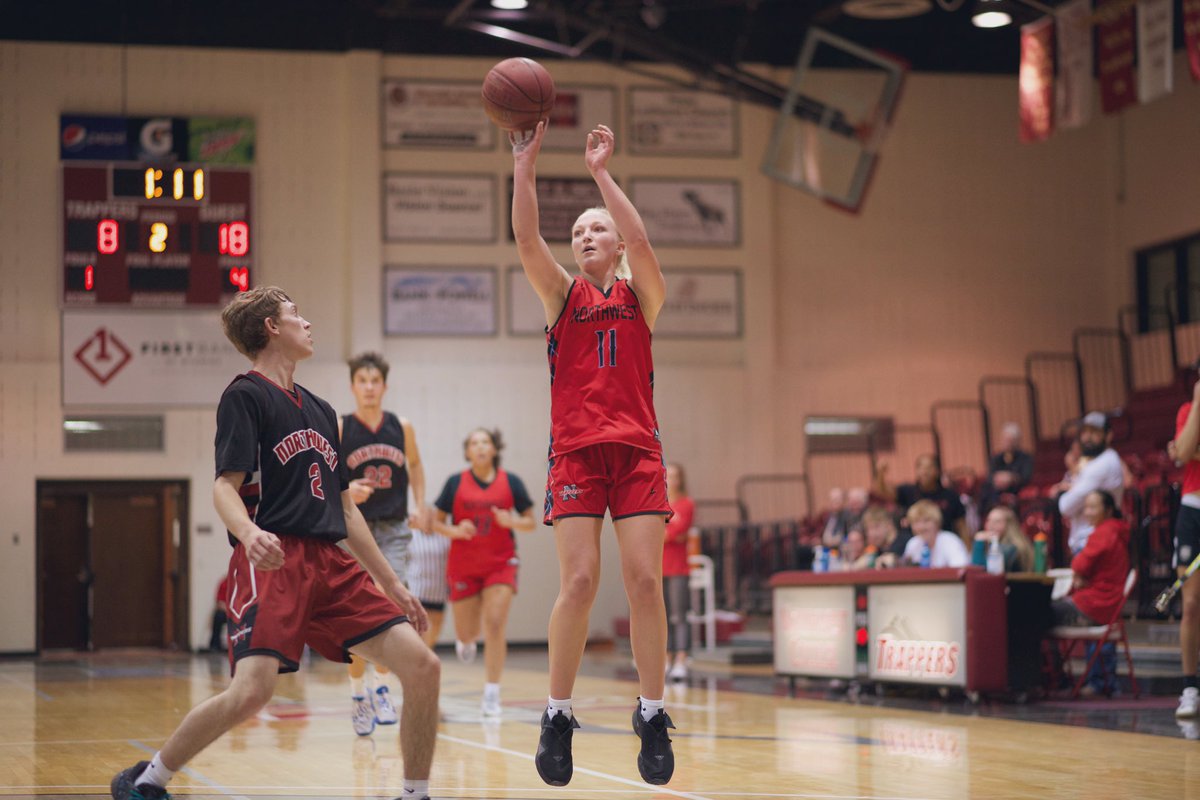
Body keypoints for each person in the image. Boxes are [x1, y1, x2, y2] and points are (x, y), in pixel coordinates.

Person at [109, 286, 440, 800]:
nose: (307, 323)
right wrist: (248, 532)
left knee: (423, 666)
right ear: (271, 327)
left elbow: (346, 508)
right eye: (295, 315)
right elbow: (224, 486)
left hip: (331, 560)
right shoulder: (245, 395)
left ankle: (415, 794)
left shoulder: (324, 410)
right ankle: (149, 779)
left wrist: (392, 582)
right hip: (274, 557)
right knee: (253, 691)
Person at [512, 120, 676, 786]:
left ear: (615, 244)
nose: (585, 236)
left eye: (595, 228)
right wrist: (525, 167)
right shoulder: (563, 297)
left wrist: (601, 175)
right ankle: (556, 715)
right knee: (578, 582)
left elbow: (640, 239)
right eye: (577, 231)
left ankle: (653, 711)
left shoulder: (643, 295)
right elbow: (526, 238)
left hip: (637, 452)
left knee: (643, 582)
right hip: (576, 455)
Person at [339, 351, 429, 736]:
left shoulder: (401, 426)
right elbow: (326, 476)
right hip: (354, 528)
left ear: (384, 386)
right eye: (363, 381)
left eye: (376, 381)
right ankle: (358, 694)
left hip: (392, 527)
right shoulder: (341, 428)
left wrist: (422, 506)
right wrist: (347, 489)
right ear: (353, 386)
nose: (370, 387)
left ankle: (381, 688)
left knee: (391, 605)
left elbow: (416, 466)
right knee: (355, 613)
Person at [430, 428, 535, 717]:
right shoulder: (455, 482)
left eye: (485, 442)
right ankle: (466, 640)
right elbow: (436, 523)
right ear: (467, 452)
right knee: (467, 632)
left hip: (500, 562)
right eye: (474, 443)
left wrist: (510, 520)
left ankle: (492, 693)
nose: (480, 447)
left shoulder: (511, 481)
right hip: (464, 565)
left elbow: (531, 522)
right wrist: (455, 530)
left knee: (495, 623)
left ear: (494, 449)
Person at [1051, 490, 1130, 696]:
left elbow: (1078, 564)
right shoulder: (1116, 531)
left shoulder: (1104, 533)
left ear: (1109, 510)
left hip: (1094, 606)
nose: (1087, 512)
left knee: (1037, 613)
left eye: (1093, 507)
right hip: (1106, 605)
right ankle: (1095, 681)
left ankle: (1052, 680)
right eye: (1086, 507)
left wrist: (1080, 575)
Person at [1171, 380, 1200, 717]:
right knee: (1191, 603)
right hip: (1192, 511)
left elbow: (1184, 450)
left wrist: (1188, 450)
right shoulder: (1187, 411)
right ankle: (1190, 688)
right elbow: (1181, 453)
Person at [1058, 412, 1124, 554]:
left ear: (1108, 435)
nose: (1087, 437)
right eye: (1084, 432)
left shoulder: (1103, 464)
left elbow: (1066, 506)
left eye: (1094, 432)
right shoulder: (1094, 461)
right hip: (1090, 541)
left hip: (1096, 543)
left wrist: (1065, 492)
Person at [875, 454, 968, 540]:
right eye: (920, 467)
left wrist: (968, 549)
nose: (924, 472)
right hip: (915, 542)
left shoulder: (950, 496)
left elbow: (961, 526)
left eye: (929, 467)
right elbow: (884, 492)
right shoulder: (909, 491)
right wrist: (880, 473)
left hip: (944, 543)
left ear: (937, 471)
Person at [663, 463, 695, 681]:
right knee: (661, 617)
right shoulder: (659, 503)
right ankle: (665, 658)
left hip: (679, 568)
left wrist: (666, 533)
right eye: (668, 475)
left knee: (679, 615)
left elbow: (677, 532)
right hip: (659, 567)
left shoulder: (686, 504)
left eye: (675, 476)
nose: (671, 480)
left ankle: (681, 659)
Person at [407, 526, 450, 650]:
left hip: (439, 591)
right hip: (417, 590)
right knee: (421, 631)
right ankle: (417, 663)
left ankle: (423, 660)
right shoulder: (411, 535)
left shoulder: (446, 535)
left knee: (433, 635)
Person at [981, 422, 1034, 511]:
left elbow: (1026, 477)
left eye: (1010, 440)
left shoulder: (1025, 458)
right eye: (1005, 440)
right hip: (996, 488)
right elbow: (990, 475)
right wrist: (998, 479)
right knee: (985, 489)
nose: (1007, 443)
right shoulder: (996, 457)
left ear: (1017, 441)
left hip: (1015, 488)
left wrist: (1011, 478)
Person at [902, 500, 969, 568]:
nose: (921, 527)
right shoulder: (913, 544)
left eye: (926, 521)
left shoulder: (950, 541)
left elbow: (960, 569)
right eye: (916, 522)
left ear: (937, 522)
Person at [975, 505, 1035, 573]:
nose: (991, 525)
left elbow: (979, 572)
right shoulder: (997, 545)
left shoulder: (1010, 548)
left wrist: (979, 543)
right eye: (988, 520)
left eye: (997, 521)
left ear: (1009, 525)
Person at [207, 575, 229, 652]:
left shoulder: (243, 582)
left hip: (240, 612)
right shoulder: (224, 583)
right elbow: (220, 602)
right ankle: (215, 645)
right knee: (218, 616)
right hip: (227, 611)